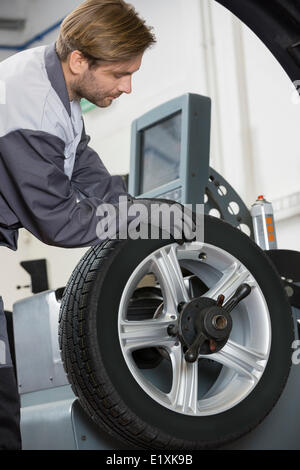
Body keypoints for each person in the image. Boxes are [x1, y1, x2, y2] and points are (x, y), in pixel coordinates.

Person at [0, 0, 155, 449]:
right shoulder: (29, 104)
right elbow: (60, 222)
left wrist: (135, 213)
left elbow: (82, 165)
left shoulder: (57, 89)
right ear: (79, 60)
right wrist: (142, 218)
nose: (127, 87)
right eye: (118, 74)